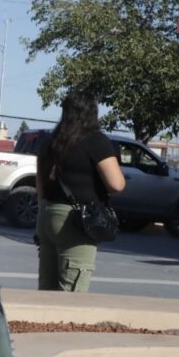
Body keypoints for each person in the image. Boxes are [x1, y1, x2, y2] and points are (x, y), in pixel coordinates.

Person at [35, 91, 125, 292]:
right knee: (71, 290)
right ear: (92, 112)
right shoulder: (96, 141)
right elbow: (117, 184)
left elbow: (40, 183)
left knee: (47, 289)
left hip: (47, 213)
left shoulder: (50, 141)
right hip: (75, 221)